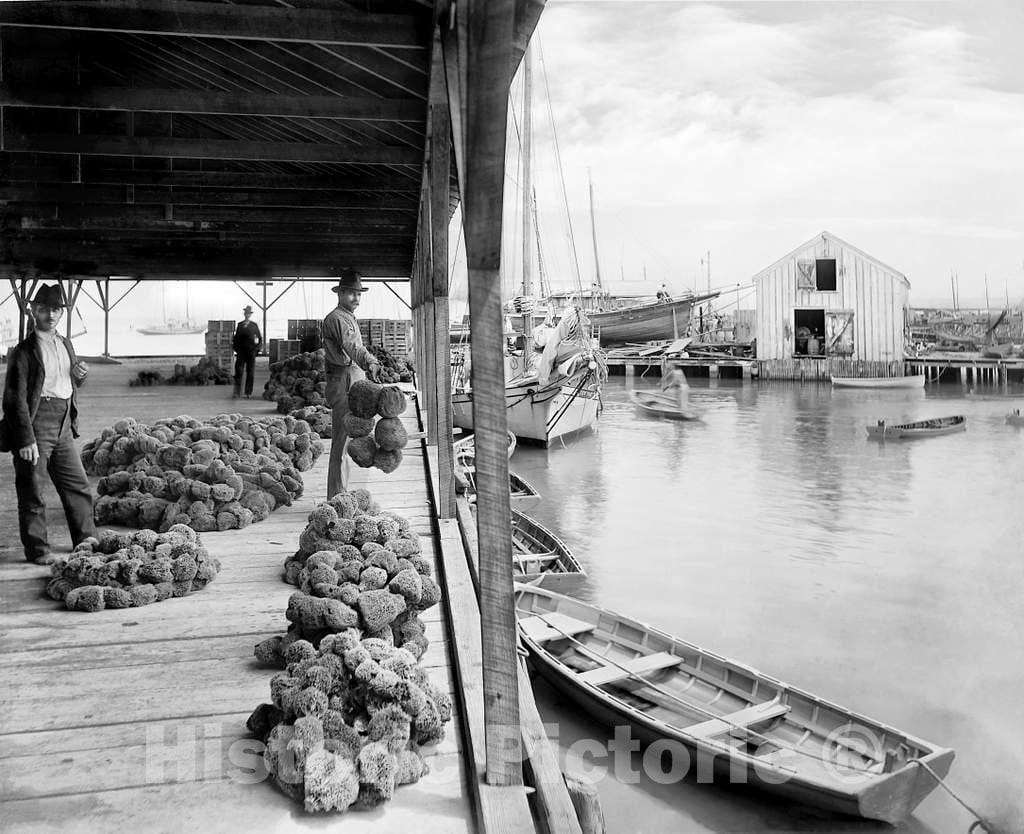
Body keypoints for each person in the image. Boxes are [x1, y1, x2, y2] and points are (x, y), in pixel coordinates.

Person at [0, 283, 95, 564]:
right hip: (37, 421)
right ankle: (38, 549)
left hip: (64, 421)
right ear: (32, 311)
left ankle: (86, 537)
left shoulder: (66, 343)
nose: (50, 315)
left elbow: (68, 381)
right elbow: (14, 399)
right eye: (43, 309)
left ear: (61, 312)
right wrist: (25, 438)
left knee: (76, 484)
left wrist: (80, 374)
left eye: (55, 309)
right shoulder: (23, 351)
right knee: (32, 486)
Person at [321, 269, 382, 498]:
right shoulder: (337, 318)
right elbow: (352, 348)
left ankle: (341, 491)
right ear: (340, 293)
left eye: (359, 294)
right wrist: (370, 361)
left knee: (348, 439)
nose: (356, 298)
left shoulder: (348, 317)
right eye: (351, 294)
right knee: (342, 441)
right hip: (344, 381)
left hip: (353, 379)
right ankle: (337, 496)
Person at [232, 305, 262, 399]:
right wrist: (236, 348)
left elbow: (259, 338)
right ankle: (237, 392)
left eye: (249, 313)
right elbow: (236, 338)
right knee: (239, 371)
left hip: (250, 351)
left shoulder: (254, 325)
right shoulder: (240, 325)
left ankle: (248, 392)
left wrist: (257, 349)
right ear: (244, 314)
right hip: (241, 351)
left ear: (250, 315)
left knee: (250, 372)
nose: (247, 315)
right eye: (246, 313)